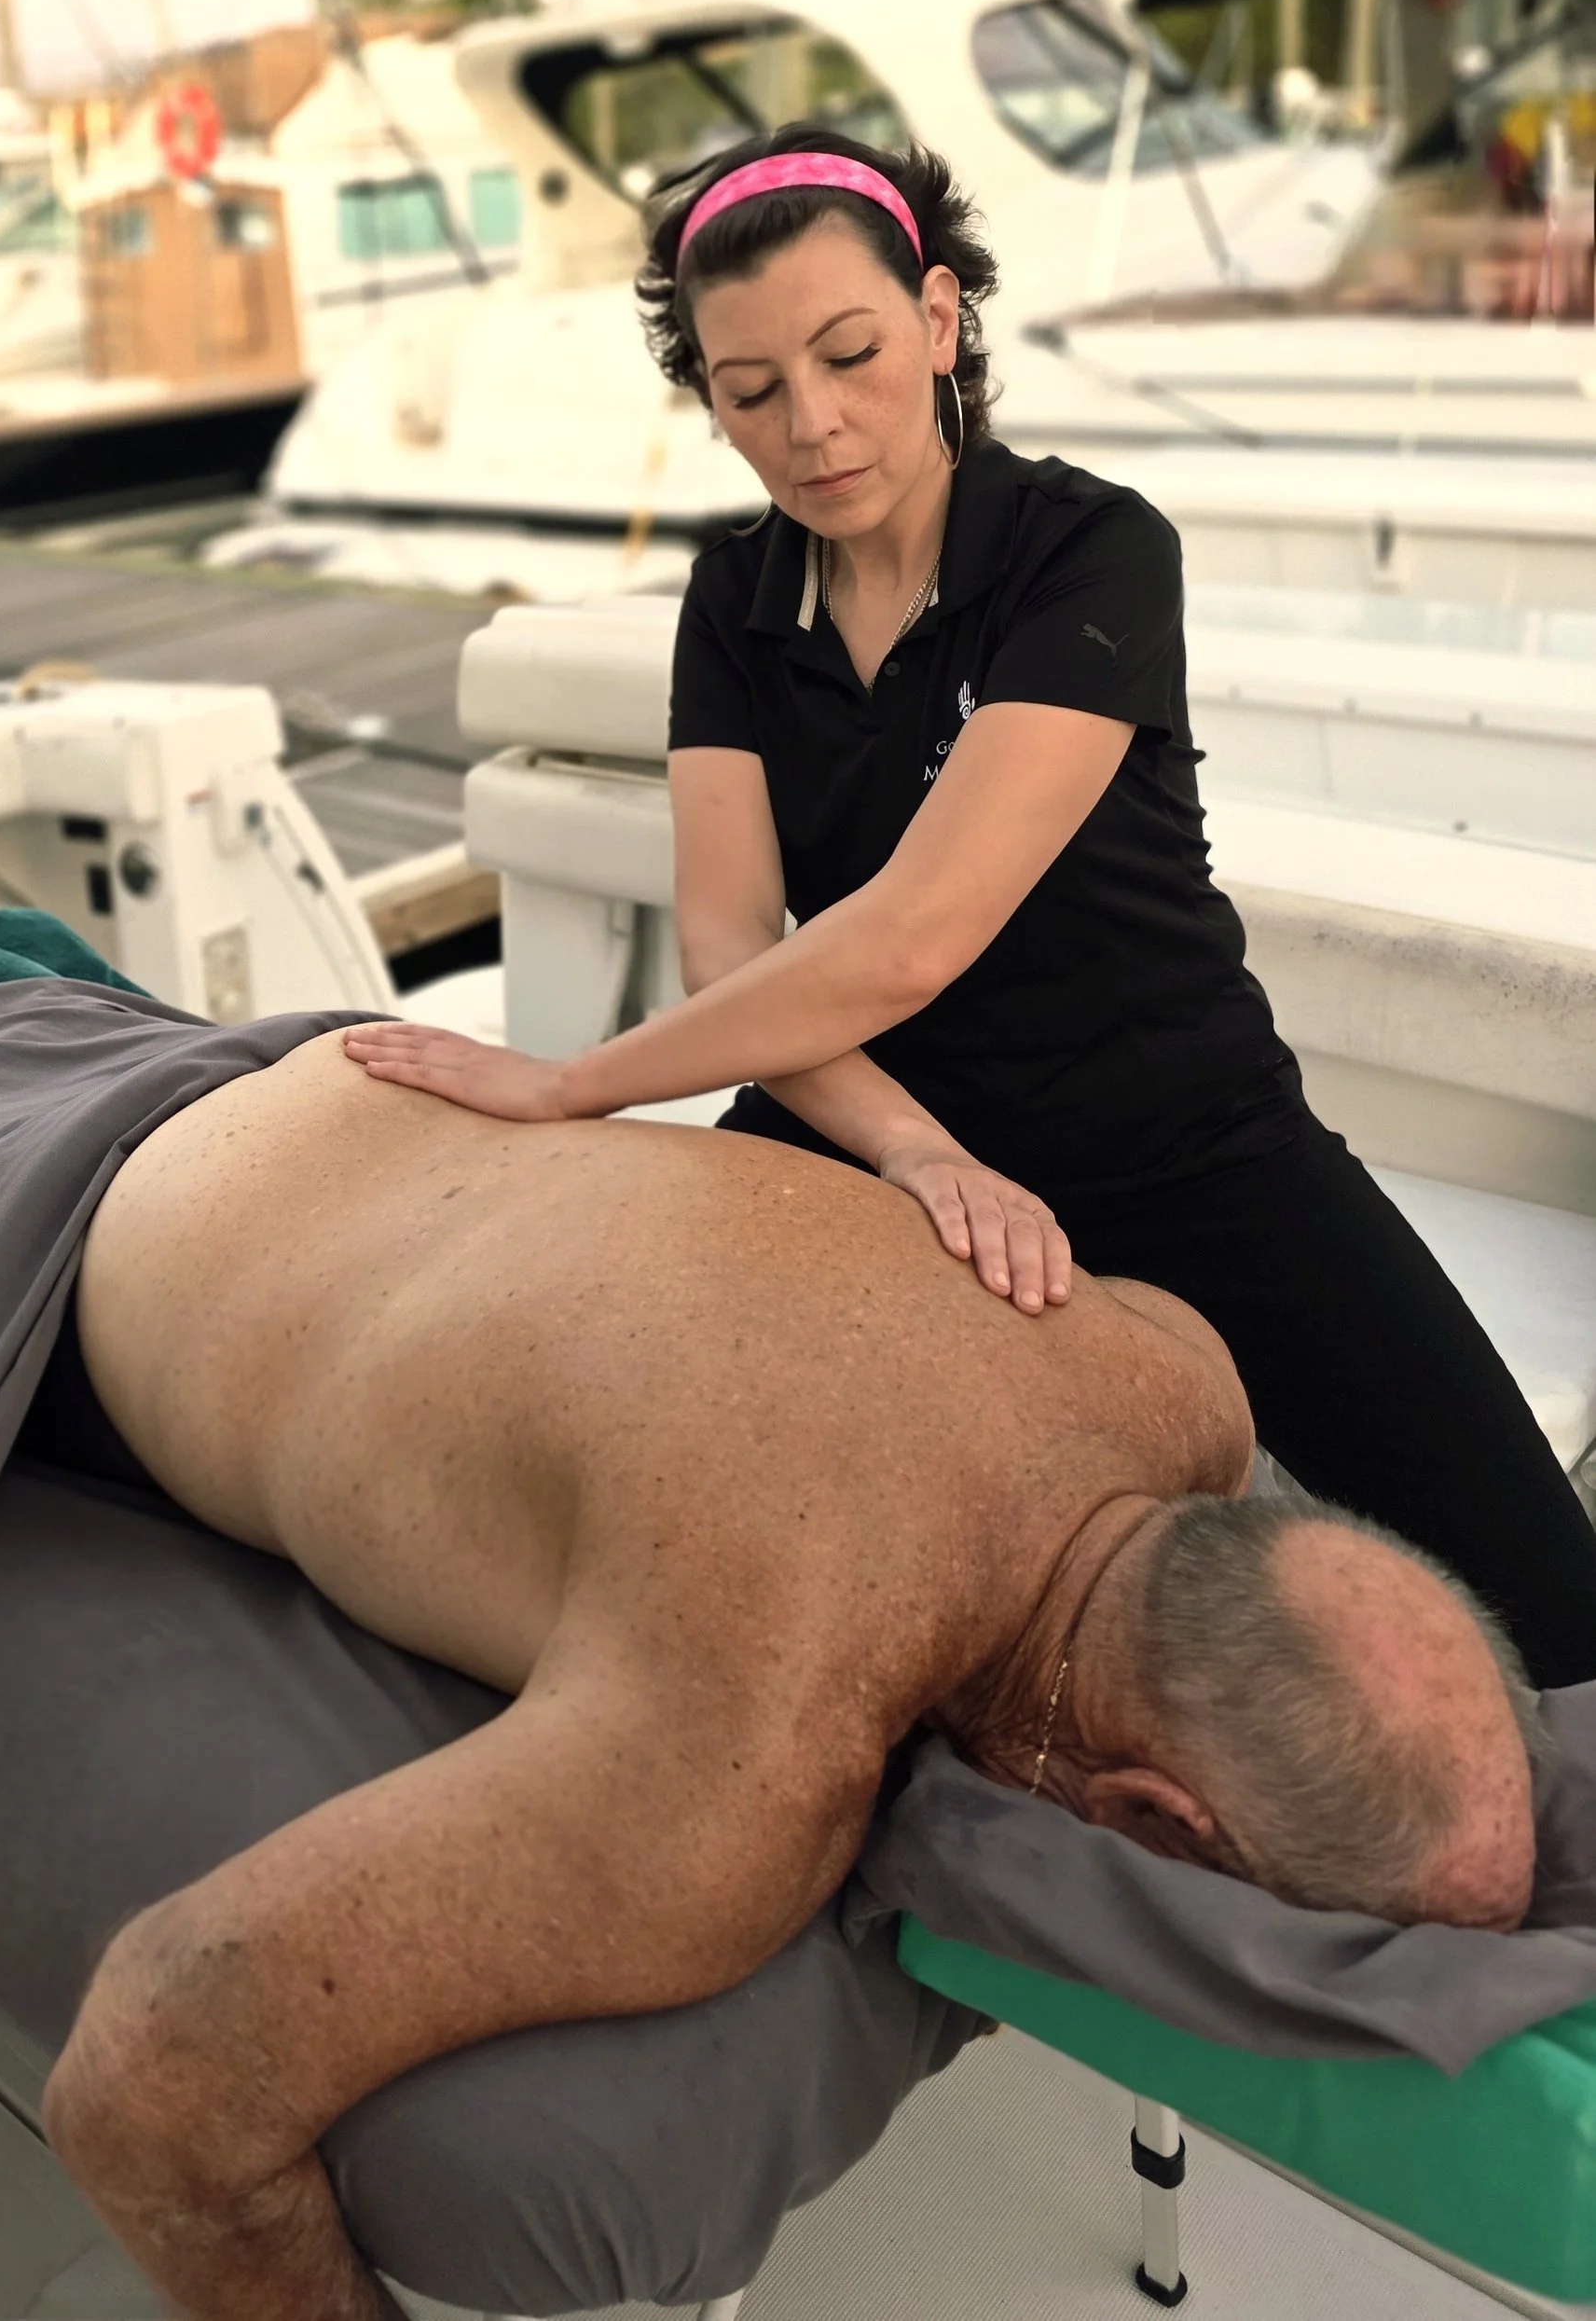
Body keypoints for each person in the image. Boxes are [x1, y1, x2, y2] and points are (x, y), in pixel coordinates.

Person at [340, 124, 1596, 1694]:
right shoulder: (736, 604)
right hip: (862, 1135)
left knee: (1552, 1611)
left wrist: (574, 1083)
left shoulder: (1092, 549)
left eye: (850, 353)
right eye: (749, 392)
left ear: (938, 322)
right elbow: (735, 946)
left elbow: (915, 934)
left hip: (1185, 1137)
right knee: (574, 1456)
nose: (812, 424)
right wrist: (924, 1155)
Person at [36, 1028, 1538, 2321]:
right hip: (128, 1225)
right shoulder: (743, 1772)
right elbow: (149, 2083)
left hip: (371, 1093)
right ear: (1149, 1824)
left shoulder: (1183, 1372)